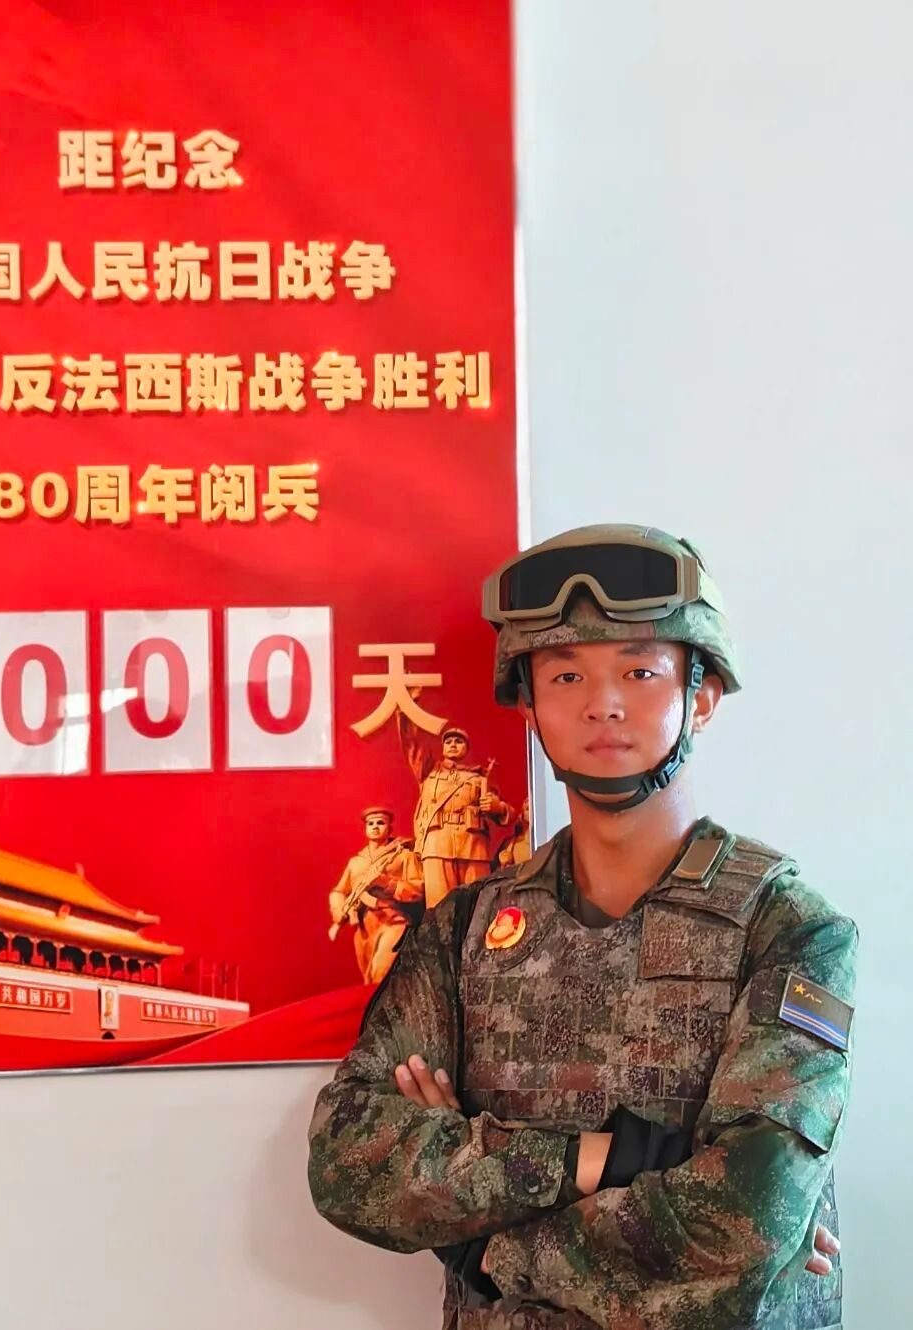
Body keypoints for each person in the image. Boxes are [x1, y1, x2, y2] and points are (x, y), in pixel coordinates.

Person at [308, 524, 856, 1329]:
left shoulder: (789, 928)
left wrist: (481, 1245)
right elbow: (350, 1161)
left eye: (640, 671)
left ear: (701, 698)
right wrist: (616, 1158)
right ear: (531, 709)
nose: (603, 703)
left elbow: (745, 1220)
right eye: (566, 674)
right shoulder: (462, 933)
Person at [399, 713, 511, 909]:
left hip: (473, 847)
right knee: (439, 908)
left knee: (477, 907)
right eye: (448, 741)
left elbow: (505, 811)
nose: (452, 744)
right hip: (436, 846)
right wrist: (407, 712)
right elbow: (413, 745)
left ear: (467, 748)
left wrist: (497, 807)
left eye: (458, 742)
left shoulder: (479, 778)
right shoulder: (428, 773)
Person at [328, 806, 425, 985]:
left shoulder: (403, 855)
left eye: (380, 823)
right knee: (370, 981)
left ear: (389, 828)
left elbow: (418, 890)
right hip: (364, 928)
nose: (375, 826)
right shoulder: (356, 862)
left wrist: (386, 882)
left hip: (393, 921)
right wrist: (339, 909)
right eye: (370, 823)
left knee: (381, 972)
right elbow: (339, 891)